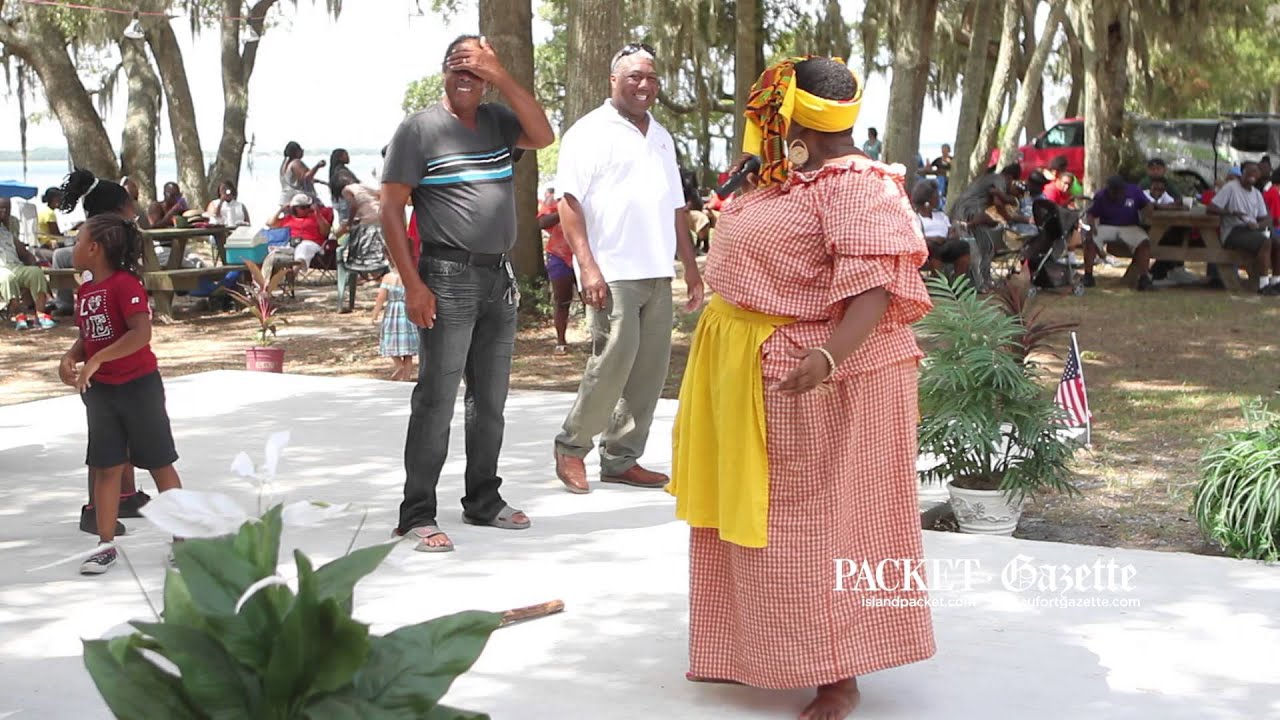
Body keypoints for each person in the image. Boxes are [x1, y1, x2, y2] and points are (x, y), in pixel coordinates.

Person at [667, 56, 935, 720]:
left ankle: (838, 674)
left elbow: (872, 290)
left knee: (817, 524)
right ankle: (751, 649)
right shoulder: (782, 178)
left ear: (791, 117)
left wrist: (828, 357)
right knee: (748, 520)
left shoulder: (858, 187)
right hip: (744, 366)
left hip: (810, 374)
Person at [380, 33, 554, 552]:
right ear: (442, 72)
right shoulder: (418, 131)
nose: (465, 76)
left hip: (498, 278)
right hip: (446, 277)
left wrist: (500, 75)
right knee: (436, 399)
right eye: (457, 66)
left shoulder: (500, 122)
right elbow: (391, 210)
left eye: (475, 69)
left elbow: (543, 136)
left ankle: (483, 500)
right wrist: (413, 284)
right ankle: (416, 512)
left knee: (491, 401)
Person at [551, 42, 705, 495]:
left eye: (652, 78)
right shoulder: (589, 131)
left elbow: (677, 207)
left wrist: (690, 271)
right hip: (612, 270)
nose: (644, 85)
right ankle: (571, 446)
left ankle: (621, 458)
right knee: (612, 363)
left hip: (657, 269)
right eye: (635, 76)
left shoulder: (661, 135)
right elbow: (569, 202)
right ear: (613, 81)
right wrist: (588, 268)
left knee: (650, 371)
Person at [61, 213, 186, 574]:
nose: (74, 247)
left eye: (79, 240)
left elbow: (140, 333)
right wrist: (72, 357)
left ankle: (182, 540)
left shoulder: (124, 284)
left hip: (139, 386)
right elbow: (89, 336)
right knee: (105, 465)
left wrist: (97, 358)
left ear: (94, 248)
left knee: (160, 462)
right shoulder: (85, 290)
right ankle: (105, 544)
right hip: (101, 392)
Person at [55, 170, 154, 534]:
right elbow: (94, 333)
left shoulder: (117, 270)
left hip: (121, 371)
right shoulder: (95, 277)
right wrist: (84, 357)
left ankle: (123, 497)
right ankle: (95, 509)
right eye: (129, 209)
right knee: (104, 445)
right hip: (104, 376)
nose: (135, 215)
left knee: (118, 439)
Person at [1207, 161, 1280, 294]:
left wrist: (1258, 224)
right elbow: (1211, 208)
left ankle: (1276, 281)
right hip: (1233, 231)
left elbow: (1266, 218)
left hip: (1251, 230)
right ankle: (1263, 285)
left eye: (1255, 172)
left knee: (1277, 242)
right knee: (1266, 242)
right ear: (1242, 173)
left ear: (1259, 175)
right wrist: (1231, 212)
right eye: (1249, 171)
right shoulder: (1230, 187)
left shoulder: (1256, 193)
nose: (1252, 174)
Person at [1082, 175, 1155, 290]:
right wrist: (1091, 228)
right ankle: (1088, 276)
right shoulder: (1101, 195)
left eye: (1118, 191)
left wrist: (1149, 212)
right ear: (1108, 189)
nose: (1116, 194)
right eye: (1113, 191)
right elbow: (1091, 213)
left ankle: (1144, 278)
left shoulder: (1134, 191)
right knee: (1090, 241)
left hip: (1129, 226)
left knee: (1144, 242)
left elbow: (1147, 205)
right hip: (1106, 226)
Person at [0, 198, 57, 330]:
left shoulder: (6, 231)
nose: (4, 212)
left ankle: (41, 314)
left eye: (7, 209)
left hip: (15, 266)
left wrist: (34, 263)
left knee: (35, 272)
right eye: (1, 209)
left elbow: (24, 253)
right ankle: (19, 315)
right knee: (8, 277)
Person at [537, 192, 575, 353]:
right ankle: (561, 341)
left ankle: (596, 338)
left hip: (586, 254)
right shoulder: (556, 200)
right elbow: (542, 222)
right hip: (559, 254)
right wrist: (565, 210)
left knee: (591, 298)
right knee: (561, 299)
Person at [371, 257, 417, 380]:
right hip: (406, 311)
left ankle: (399, 365)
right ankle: (406, 378)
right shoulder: (411, 276)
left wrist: (375, 314)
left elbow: (381, 297)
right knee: (408, 349)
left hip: (393, 311)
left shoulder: (387, 278)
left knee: (390, 339)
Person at [912, 179, 969, 276]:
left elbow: (950, 229)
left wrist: (952, 233)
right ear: (928, 201)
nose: (939, 197)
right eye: (936, 196)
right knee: (933, 248)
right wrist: (933, 238)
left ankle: (958, 282)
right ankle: (938, 282)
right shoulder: (915, 218)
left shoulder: (941, 216)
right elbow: (913, 237)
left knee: (963, 246)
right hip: (927, 249)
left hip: (946, 245)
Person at [270, 193, 332, 274]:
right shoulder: (288, 219)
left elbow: (325, 232)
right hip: (291, 244)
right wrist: (281, 210)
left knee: (303, 247)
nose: (307, 209)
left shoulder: (316, 217)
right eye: (303, 207)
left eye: (308, 207)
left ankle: (293, 273)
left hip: (311, 244)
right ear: (294, 209)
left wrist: (318, 214)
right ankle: (269, 278)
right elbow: (270, 223)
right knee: (271, 247)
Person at [280, 141, 324, 205]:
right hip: (300, 201)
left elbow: (294, 180)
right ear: (297, 152)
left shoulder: (284, 165)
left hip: (286, 199)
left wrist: (318, 181)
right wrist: (317, 166)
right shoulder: (296, 162)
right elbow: (306, 177)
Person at [329, 149, 360, 221]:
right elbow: (352, 183)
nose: (348, 157)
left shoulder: (335, 170)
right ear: (340, 158)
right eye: (346, 155)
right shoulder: (341, 171)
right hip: (345, 201)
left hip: (340, 201)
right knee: (348, 224)